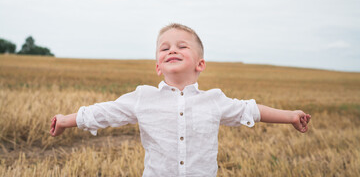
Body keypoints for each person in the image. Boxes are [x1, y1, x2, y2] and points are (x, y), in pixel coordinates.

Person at [50, 23, 311, 176]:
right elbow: (104, 113)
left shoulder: (214, 100)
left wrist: (290, 116)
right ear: (157, 66)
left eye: (182, 46)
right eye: (165, 48)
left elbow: (251, 111)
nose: (172, 49)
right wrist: (65, 120)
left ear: (200, 64)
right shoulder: (144, 97)